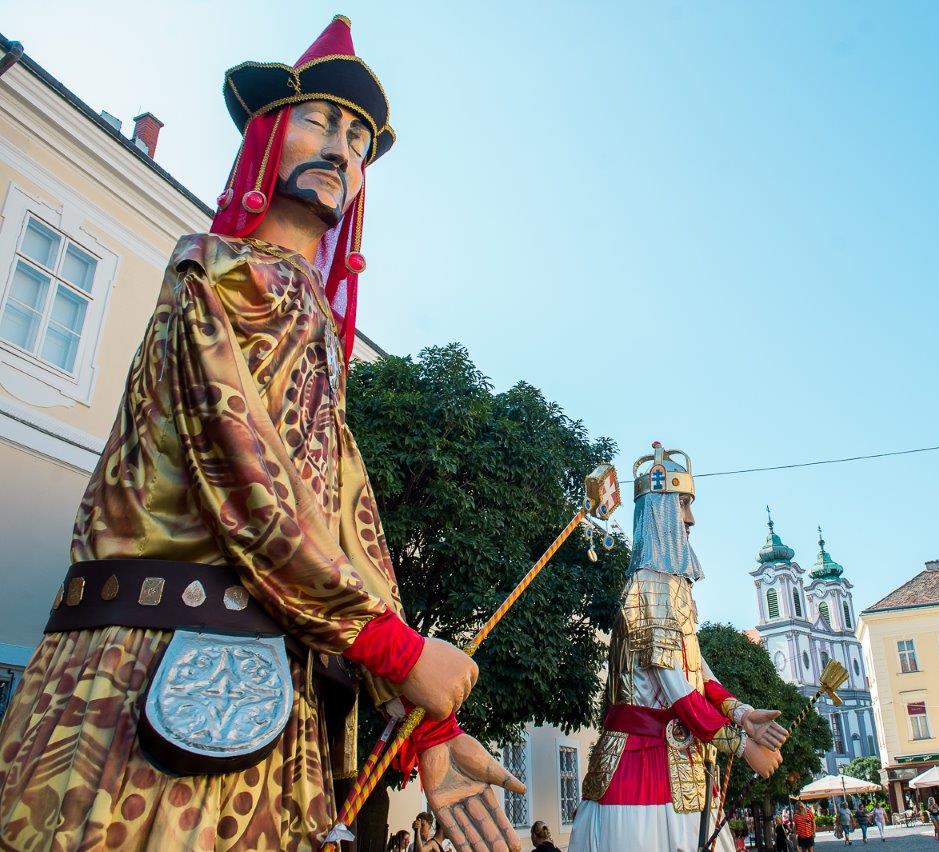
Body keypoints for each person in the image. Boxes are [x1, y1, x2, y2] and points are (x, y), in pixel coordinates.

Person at [0, 15, 525, 850]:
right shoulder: (212, 271)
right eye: (320, 120)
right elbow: (246, 475)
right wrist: (392, 648)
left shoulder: (317, 330)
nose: (341, 148)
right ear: (268, 136)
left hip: (277, 721)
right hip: (145, 691)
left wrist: (421, 729)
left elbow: (346, 521)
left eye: (357, 139)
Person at [568, 444, 788, 852]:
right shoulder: (650, 584)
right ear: (660, 511)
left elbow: (695, 667)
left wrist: (740, 713)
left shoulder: (671, 584)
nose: (691, 519)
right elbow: (674, 686)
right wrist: (742, 747)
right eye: (683, 505)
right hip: (642, 769)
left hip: (671, 762)